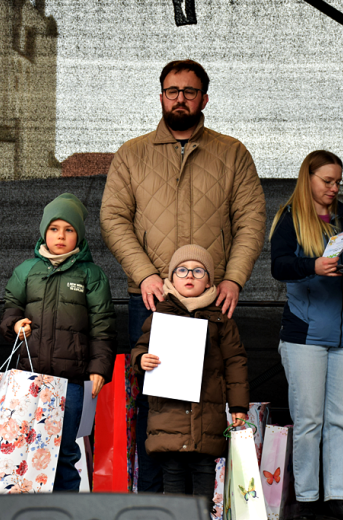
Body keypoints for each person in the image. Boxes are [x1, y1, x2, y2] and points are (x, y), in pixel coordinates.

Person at [101, 59, 265, 492]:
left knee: (210, 400)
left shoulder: (232, 152)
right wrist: (145, 275)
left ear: (204, 98)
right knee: (155, 408)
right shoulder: (132, 154)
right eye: (172, 90)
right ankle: (154, 503)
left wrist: (232, 279)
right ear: (160, 95)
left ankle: (200, 504)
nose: (180, 98)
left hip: (212, 301)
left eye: (189, 91)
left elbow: (251, 219)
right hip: (154, 298)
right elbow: (114, 218)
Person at [269, 150, 343, 520]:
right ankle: (305, 500)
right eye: (326, 181)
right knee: (308, 421)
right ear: (308, 178)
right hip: (304, 335)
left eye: (338, 182)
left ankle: (339, 498)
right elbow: (279, 267)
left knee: (342, 420)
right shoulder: (289, 217)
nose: (334, 188)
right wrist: (313, 266)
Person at [0, 192, 116, 492]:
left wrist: (99, 368)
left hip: (72, 383)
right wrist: (14, 324)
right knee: (23, 452)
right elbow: (11, 306)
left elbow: (103, 326)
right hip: (30, 380)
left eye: (69, 229)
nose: (60, 236)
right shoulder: (26, 271)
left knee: (64, 454)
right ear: (43, 231)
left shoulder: (92, 275)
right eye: (54, 229)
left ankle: (65, 512)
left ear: (79, 234)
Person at [131, 244, 249, 512]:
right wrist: (141, 360)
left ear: (210, 280)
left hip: (207, 416)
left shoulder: (222, 320)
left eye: (198, 271)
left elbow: (236, 363)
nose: (190, 276)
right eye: (182, 270)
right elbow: (140, 348)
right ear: (171, 278)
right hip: (168, 416)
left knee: (204, 473)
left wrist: (239, 407)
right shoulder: (160, 314)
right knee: (171, 475)